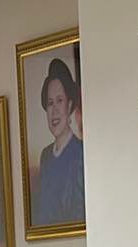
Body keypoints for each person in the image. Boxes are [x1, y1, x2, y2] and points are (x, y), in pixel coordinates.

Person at [36, 58, 85, 227]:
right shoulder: (45, 156)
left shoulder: (80, 153)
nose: (54, 110)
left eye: (59, 101)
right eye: (50, 103)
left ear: (69, 105)